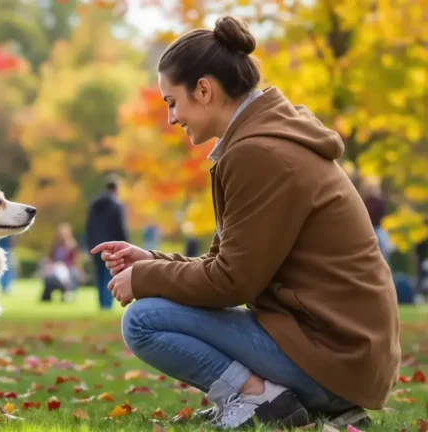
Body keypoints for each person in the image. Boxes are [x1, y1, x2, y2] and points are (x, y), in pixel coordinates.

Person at [90, 16, 399, 429]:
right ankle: (262, 396)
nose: (171, 118)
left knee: (143, 320)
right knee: (151, 310)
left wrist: (145, 278)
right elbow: (228, 264)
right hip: (338, 355)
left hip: (333, 360)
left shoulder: (260, 154)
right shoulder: (263, 140)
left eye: (172, 102)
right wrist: (151, 260)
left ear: (204, 90)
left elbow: (232, 283)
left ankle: (260, 400)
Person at [85, 175, 130, 310]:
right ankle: (106, 304)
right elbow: (121, 227)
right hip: (111, 246)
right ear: (116, 189)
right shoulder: (117, 206)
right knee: (109, 274)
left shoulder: (94, 205)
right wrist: (127, 244)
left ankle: (101, 303)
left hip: (95, 245)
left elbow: (89, 226)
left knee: (99, 275)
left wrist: (89, 244)